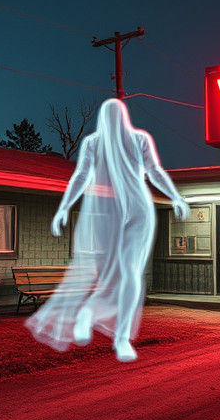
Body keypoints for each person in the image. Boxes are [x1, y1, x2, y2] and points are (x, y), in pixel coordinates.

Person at [25, 98, 190, 362]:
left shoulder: (139, 139)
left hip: (139, 210)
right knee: (110, 276)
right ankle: (87, 314)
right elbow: (81, 175)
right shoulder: (93, 143)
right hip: (109, 211)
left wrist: (176, 197)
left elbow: (154, 171)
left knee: (131, 274)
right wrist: (64, 207)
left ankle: (121, 337)